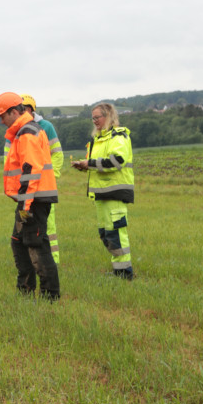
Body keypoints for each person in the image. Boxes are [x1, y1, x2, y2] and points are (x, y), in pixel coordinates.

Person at [0, 92, 60, 300]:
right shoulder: (22, 131)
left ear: (14, 112)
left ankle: (50, 296)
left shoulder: (27, 133)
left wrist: (25, 204)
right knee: (18, 241)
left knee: (36, 245)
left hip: (34, 199)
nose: (2, 121)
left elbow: (31, 170)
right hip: (30, 198)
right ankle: (25, 289)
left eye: (3, 116)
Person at [71, 103, 135, 279]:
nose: (95, 121)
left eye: (97, 117)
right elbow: (100, 164)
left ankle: (125, 273)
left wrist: (89, 164)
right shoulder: (98, 139)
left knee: (116, 233)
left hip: (115, 193)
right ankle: (118, 270)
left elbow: (116, 161)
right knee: (106, 234)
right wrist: (85, 166)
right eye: (93, 118)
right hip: (101, 194)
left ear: (108, 116)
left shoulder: (118, 136)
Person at [21, 94, 63, 264]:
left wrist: (50, 178)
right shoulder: (16, 129)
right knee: (25, 222)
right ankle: (33, 260)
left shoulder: (46, 126)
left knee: (48, 226)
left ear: (30, 110)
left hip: (44, 187)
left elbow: (57, 155)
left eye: (21, 109)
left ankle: (53, 262)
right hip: (25, 186)